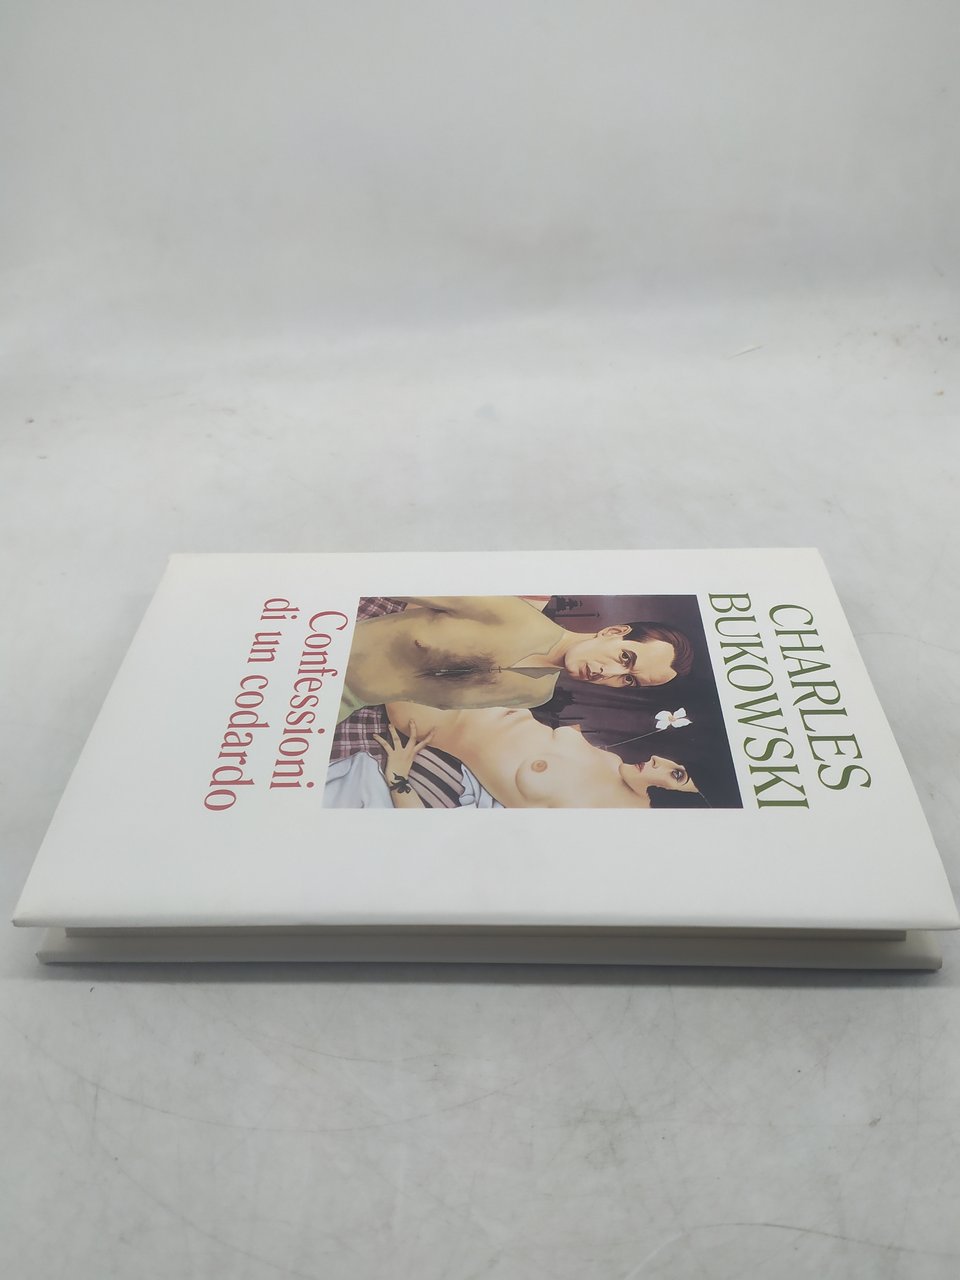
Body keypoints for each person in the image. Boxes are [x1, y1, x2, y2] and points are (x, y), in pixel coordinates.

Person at [338, 595, 693, 722]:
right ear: (614, 632)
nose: (609, 673)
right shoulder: (508, 613)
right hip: (323, 651)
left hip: (330, 711)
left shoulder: (534, 696)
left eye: (628, 680)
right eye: (626, 658)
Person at [367, 701, 703, 809]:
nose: (659, 761)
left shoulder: (595, 826)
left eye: (677, 774)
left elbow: (440, 844)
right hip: (480, 686)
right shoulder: (616, 765)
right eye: (675, 761)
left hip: (438, 714)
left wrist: (398, 779)